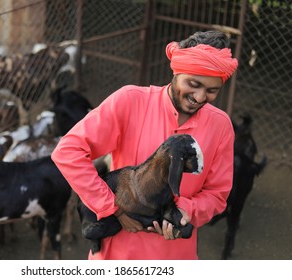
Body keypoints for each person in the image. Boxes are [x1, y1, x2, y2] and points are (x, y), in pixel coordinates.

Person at [51, 30, 238, 260]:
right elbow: (68, 151)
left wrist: (185, 211)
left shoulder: (220, 125)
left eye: (212, 91)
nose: (200, 97)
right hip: (117, 254)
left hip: (175, 255)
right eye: (193, 83)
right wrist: (113, 207)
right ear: (176, 71)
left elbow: (217, 194)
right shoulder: (130, 101)